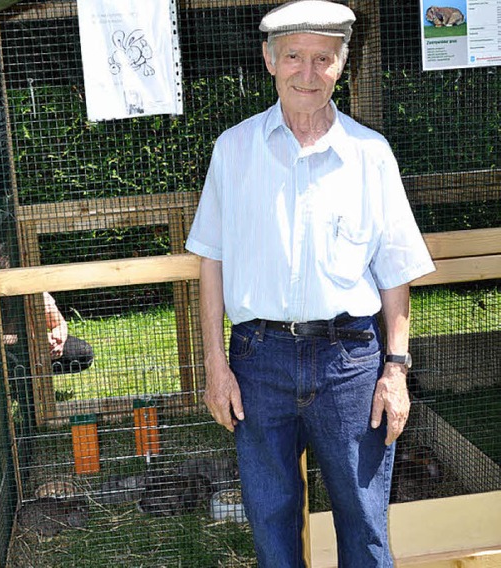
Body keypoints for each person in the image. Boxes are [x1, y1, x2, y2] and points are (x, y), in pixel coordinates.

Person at [185, 1, 436, 566]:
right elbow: (211, 261)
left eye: (322, 58)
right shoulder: (234, 150)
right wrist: (214, 366)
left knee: (365, 524)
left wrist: (395, 371)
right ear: (269, 60)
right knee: (271, 522)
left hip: (351, 362)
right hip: (258, 360)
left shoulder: (371, 155)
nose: (307, 71)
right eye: (293, 56)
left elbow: (394, 274)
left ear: (340, 65)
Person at [3, 292, 94, 375]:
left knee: (83, 352)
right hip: (8, 352)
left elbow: (59, 324)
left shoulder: (35, 292)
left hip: (36, 350)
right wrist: (33, 339)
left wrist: (58, 341)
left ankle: (35, 374)